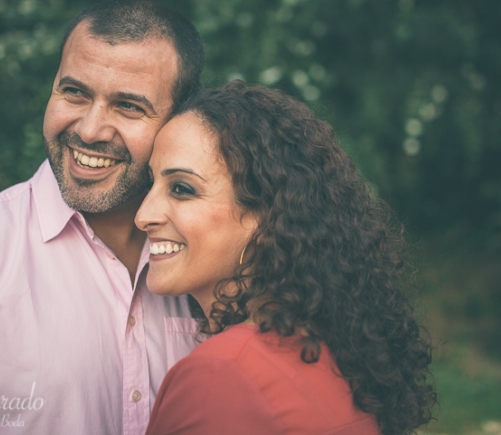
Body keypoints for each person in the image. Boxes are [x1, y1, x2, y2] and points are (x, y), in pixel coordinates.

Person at [0, 0, 205, 434]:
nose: (88, 130)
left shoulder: (210, 255)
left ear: (181, 120)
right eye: (75, 93)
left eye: (128, 106)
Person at [136, 81, 436, 435]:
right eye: (150, 183)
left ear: (265, 216)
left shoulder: (223, 374)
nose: (143, 215)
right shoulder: (336, 354)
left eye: (182, 189)